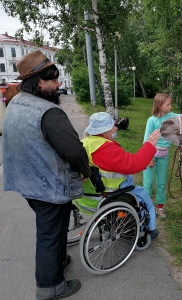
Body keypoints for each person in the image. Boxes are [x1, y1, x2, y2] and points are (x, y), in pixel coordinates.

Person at [2, 50, 91, 300]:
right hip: (48, 185)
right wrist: (86, 171)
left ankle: (58, 261)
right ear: (40, 82)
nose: (59, 84)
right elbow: (74, 150)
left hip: (25, 181)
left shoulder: (17, 102)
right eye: (55, 79)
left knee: (55, 227)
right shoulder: (48, 112)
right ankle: (50, 286)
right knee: (49, 234)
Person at [82, 112, 161, 237]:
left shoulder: (86, 142)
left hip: (85, 195)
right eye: (112, 126)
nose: (115, 128)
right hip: (107, 193)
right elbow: (133, 164)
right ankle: (150, 229)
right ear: (103, 131)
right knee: (143, 195)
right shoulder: (104, 149)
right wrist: (150, 145)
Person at [143, 93, 177, 218]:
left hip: (164, 154)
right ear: (159, 106)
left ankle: (160, 207)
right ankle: (145, 206)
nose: (170, 106)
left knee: (161, 181)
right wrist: (148, 157)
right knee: (148, 182)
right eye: (167, 104)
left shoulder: (172, 117)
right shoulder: (151, 120)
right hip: (151, 154)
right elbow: (146, 139)